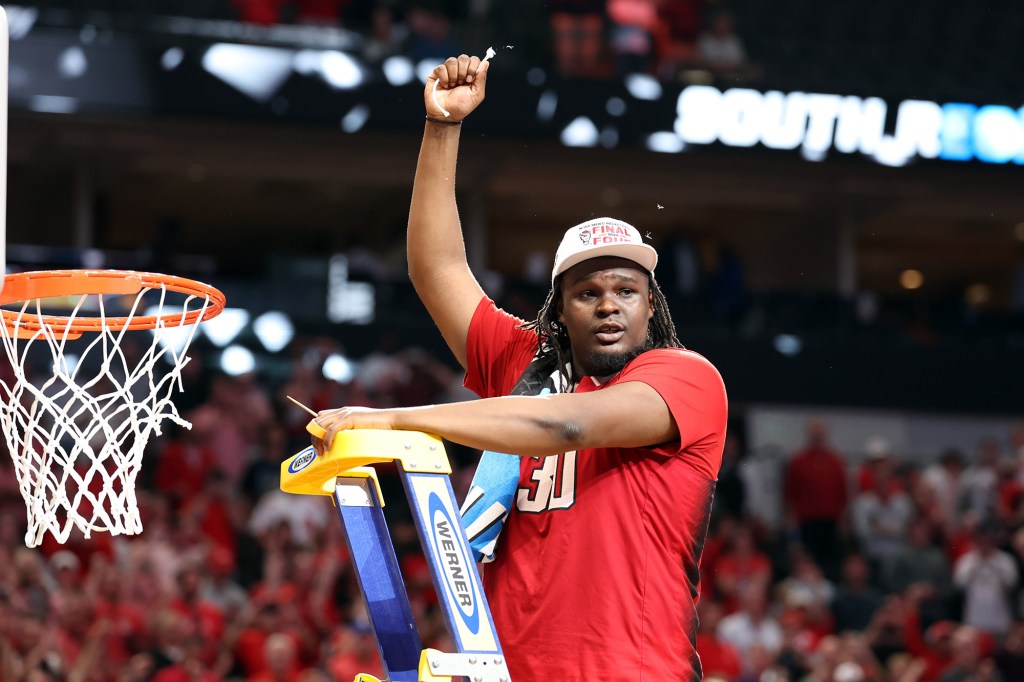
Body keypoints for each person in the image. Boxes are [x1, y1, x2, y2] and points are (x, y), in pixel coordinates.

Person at [313, 53, 728, 680]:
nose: (609, 306)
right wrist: (442, 128)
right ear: (560, 310)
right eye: (588, 294)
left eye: (626, 291)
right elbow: (437, 272)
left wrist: (398, 418)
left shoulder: (686, 378)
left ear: (652, 306)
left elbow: (567, 427)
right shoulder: (525, 365)